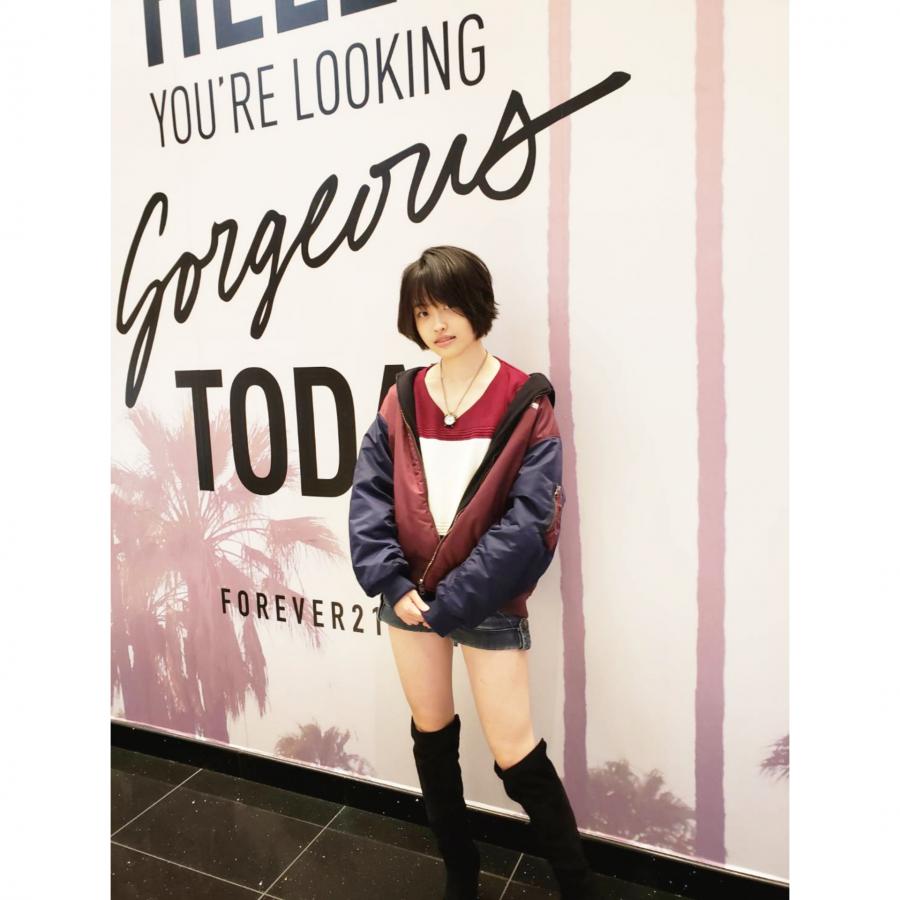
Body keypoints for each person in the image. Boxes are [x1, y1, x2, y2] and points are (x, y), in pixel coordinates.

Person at [348, 246, 602, 899]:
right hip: (408, 598)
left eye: (449, 307)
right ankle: (459, 871)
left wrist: (455, 599)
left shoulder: (525, 400)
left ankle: (577, 884)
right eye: (423, 312)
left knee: (515, 754)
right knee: (432, 738)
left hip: (485, 601)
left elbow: (530, 523)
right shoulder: (402, 398)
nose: (437, 324)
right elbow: (369, 494)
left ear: (477, 305)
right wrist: (393, 584)